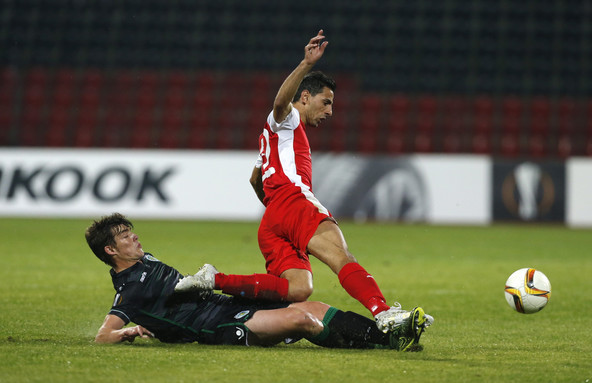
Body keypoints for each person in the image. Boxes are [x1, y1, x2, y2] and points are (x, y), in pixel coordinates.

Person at [176, 30, 433, 333]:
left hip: (272, 217)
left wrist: (277, 212)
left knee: (298, 288)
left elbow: (254, 179)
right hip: (292, 201)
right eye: (326, 102)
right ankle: (383, 312)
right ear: (306, 97)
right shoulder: (289, 119)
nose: (330, 111)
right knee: (340, 257)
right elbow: (280, 103)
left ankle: (213, 280)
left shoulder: (270, 138)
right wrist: (305, 65)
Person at [86, 213, 429, 351]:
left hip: (221, 306)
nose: (135, 238)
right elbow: (103, 336)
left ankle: (387, 336)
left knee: (314, 307)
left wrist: (155, 326)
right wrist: (128, 330)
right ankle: (387, 343)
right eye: (126, 237)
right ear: (110, 249)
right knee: (301, 318)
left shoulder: (144, 259)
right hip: (212, 326)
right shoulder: (129, 289)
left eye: (132, 232)